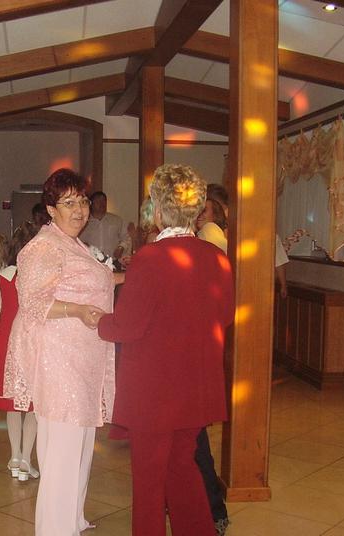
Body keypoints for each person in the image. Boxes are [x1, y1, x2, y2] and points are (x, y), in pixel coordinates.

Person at [94, 164, 234, 536]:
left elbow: (126, 327)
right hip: (196, 387)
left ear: (158, 209)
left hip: (155, 393)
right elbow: (224, 316)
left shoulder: (151, 258)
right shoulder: (217, 257)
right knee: (183, 468)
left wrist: (97, 320)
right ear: (197, 209)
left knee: (150, 482)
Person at [4, 168, 115, 536]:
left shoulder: (74, 244)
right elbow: (32, 303)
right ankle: (54, 528)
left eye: (82, 201)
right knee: (63, 452)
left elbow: (98, 280)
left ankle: (71, 520)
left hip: (83, 358)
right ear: (51, 209)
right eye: (69, 203)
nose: (79, 210)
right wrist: (77, 310)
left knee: (80, 446)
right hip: (59, 361)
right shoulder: (43, 247)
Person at [0, 222, 39, 481]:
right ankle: (26, 458)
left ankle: (15, 455)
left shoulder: (0, 277)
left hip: (6, 341)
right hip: (33, 342)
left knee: (12, 404)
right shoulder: (39, 278)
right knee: (33, 405)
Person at [79, 190, 128, 258]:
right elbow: (77, 241)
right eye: (98, 201)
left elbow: (126, 238)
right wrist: (83, 245)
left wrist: (121, 247)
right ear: (91, 204)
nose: (102, 204)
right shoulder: (84, 222)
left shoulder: (116, 220)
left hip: (113, 261)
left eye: (104, 201)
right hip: (91, 261)